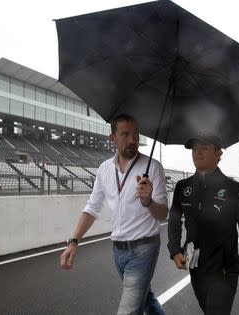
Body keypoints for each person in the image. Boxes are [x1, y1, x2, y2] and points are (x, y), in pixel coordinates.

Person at [60, 114, 168, 315]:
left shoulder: (153, 167)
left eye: (135, 134)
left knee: (129, 310)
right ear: (113, 138)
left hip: (144, 247)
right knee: (146, 301)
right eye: (125, 134)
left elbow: (162, 215)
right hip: (118, 250)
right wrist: (74, 241)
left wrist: (149, 201)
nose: (133, 139)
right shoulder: (104, 169)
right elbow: (92, 207)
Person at [167, 135, 239, 315]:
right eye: (194, 149)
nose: (197, 152)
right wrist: (175, 250)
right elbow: (174, 220)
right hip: (195, 266)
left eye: (204, 148)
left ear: (218, 154)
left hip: (224, 269)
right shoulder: (182, 187)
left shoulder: (234, 188)